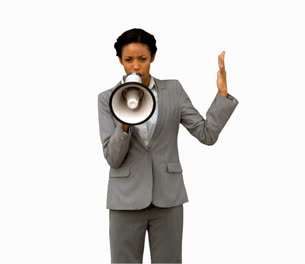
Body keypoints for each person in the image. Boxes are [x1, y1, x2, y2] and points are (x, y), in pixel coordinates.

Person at [97, 28, 238, 264]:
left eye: (142, 59)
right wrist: (124, 123)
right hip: (125, 199)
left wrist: (221, 95)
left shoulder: (173, 90)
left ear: (152, 57)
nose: (135, 66)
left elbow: (207, 134)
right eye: (128, 60)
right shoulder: (107, 99)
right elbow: (113, 158)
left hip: (168, 198)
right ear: (120, 60)